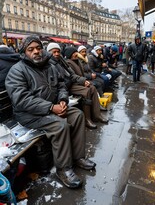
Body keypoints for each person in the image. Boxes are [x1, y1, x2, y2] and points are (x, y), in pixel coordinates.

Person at [5, 36, 96, 189]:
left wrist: (62, 100)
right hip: (29, 115)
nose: (36, 51)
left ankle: (78, 157)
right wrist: (51, 108)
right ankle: (64, 169)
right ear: (24, 52)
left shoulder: (49, 66)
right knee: (60, 125)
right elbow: (21, 99)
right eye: (31, 49)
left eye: (38, 48)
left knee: (77, 115)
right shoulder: (17, 70)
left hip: (52, 108)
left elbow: (61, 85)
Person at [47, 43, 108, 129]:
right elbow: (61, 81)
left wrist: (83, 81)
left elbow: (72, 75)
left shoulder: (62, 61)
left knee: (92, 88)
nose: (56, 54)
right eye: (54, 52)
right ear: (48, 53)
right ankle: (87, 119)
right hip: (65, 86)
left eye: (58, 51)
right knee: (87, 91)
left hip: (70, 84)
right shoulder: (50, 64)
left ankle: (97, 115)